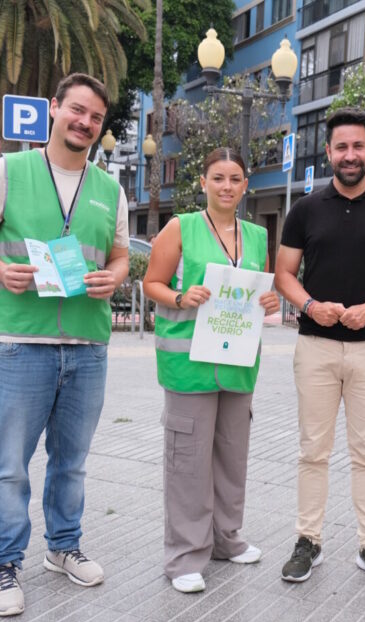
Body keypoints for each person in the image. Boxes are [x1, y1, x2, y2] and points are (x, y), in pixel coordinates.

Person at [0, 73, 129, 617]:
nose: (85, 122)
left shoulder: (110, 189)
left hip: (87, 344)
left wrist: (114, 277)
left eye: (96, 117)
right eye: (77, 110)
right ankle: (3, 561)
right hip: (21, 341)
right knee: (11, 461)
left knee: (72, 461)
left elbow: (120, 255)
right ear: (54, 109)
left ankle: (63, 546)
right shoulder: (8, 171)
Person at [274, 107, 365, 587]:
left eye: (358, 146)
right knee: (313, 450)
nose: (350, 155)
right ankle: (308, 541)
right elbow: (284, 275)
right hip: (315, 345)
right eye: (341, 147)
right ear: (329, 152)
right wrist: (310, 305)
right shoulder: (306, 209)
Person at [143, 148, 280, 593]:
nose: (226, 186)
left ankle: (226, 538)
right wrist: (181, 297)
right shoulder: (180, 228)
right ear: (203, 183)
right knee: (188, 462)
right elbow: (152, 283)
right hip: (189, 366)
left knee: (231, 458)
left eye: (235, 178)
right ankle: (185, 556)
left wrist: (270, 301)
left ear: (245, 186)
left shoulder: (256, 236)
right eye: (218, 178)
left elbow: (260, 291)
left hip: (238, 365)